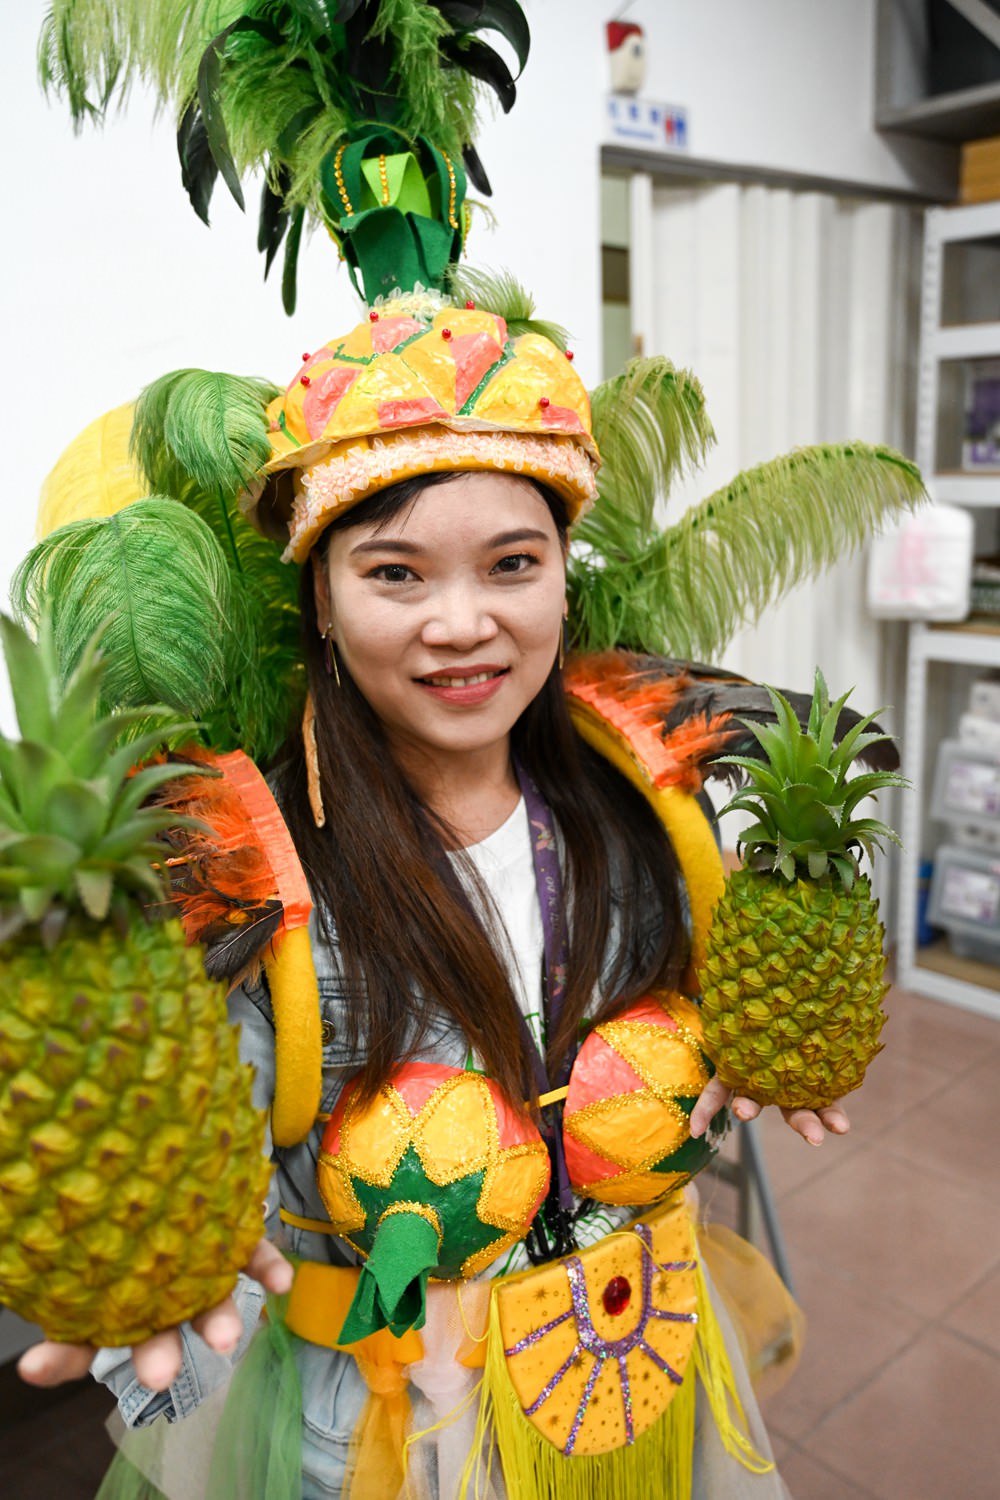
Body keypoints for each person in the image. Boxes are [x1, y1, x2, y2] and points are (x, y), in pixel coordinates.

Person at [17, 305, 851, 1500]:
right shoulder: (257, 888)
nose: (462, 625)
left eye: (513, 564)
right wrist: (153, 1278)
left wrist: (757, 1055)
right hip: (395, 1444)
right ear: (319, 598)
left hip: (645, 1376)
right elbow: (172, 1164)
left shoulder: (650, 815)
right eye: (394, 573)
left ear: (566, 580)